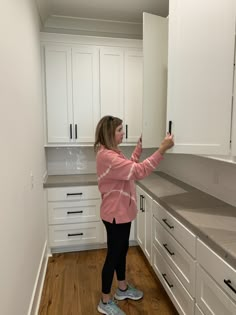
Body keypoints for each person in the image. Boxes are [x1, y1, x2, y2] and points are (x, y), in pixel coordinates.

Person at [94, 115, 174, 315]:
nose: (123, 132)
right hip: (115, 214)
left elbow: (129, 169)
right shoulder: (108, 157)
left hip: (121, 212)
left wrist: (139, 146)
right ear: (109, 133)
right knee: (113, 255)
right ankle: (105, 301)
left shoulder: (112, 153)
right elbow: (138, 171)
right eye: (120, 130)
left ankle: (122, 289)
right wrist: (161, 150)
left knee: (121, 250)